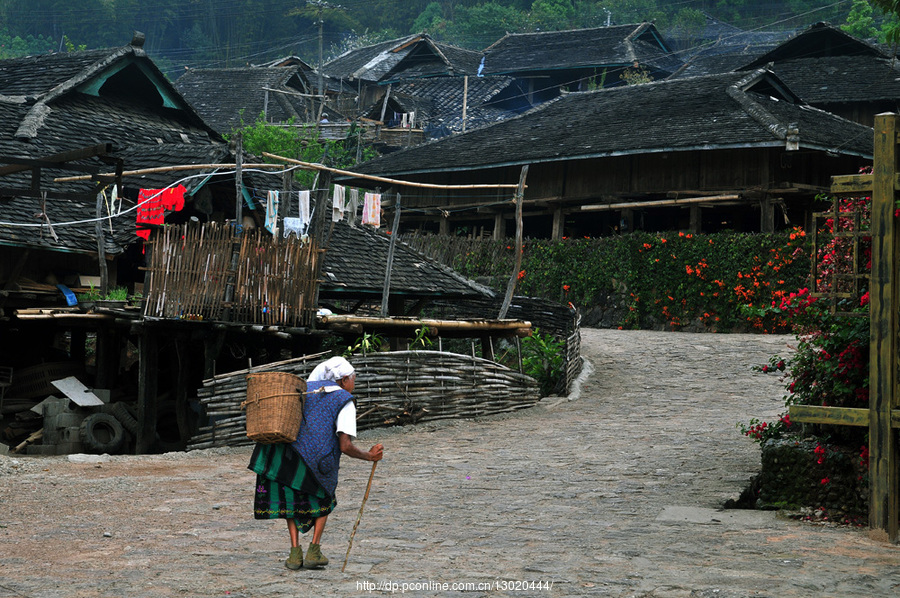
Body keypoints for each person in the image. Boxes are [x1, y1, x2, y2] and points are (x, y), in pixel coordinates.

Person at [248, 356, 384, 570]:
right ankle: (314, 550)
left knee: (289, 502)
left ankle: (294, 554)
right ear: (345, 379)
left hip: (283, 454)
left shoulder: (303, 388)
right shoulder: (344, 400)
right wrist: (369, 456)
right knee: (325, 494)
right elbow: (345, 446)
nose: (354, 384)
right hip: (316, 460)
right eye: (353, 380)